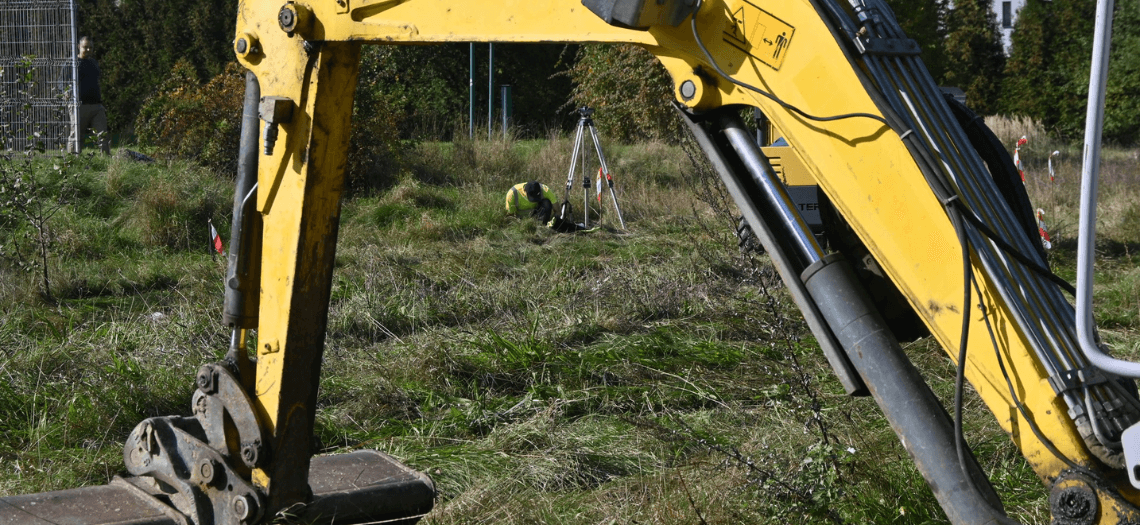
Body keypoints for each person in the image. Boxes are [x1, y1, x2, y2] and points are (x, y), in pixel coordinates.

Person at [69, 36, 110, 154]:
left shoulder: (94, 63)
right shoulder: (71, 63)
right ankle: (73, 160)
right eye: (85, 47)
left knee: (102, 134)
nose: (88, 50)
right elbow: (62, 82)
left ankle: (106, 160)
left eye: (90, 48)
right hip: (78, 105)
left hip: (96, 106)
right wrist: (67, 95)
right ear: (78, 47)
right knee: (76, 135)